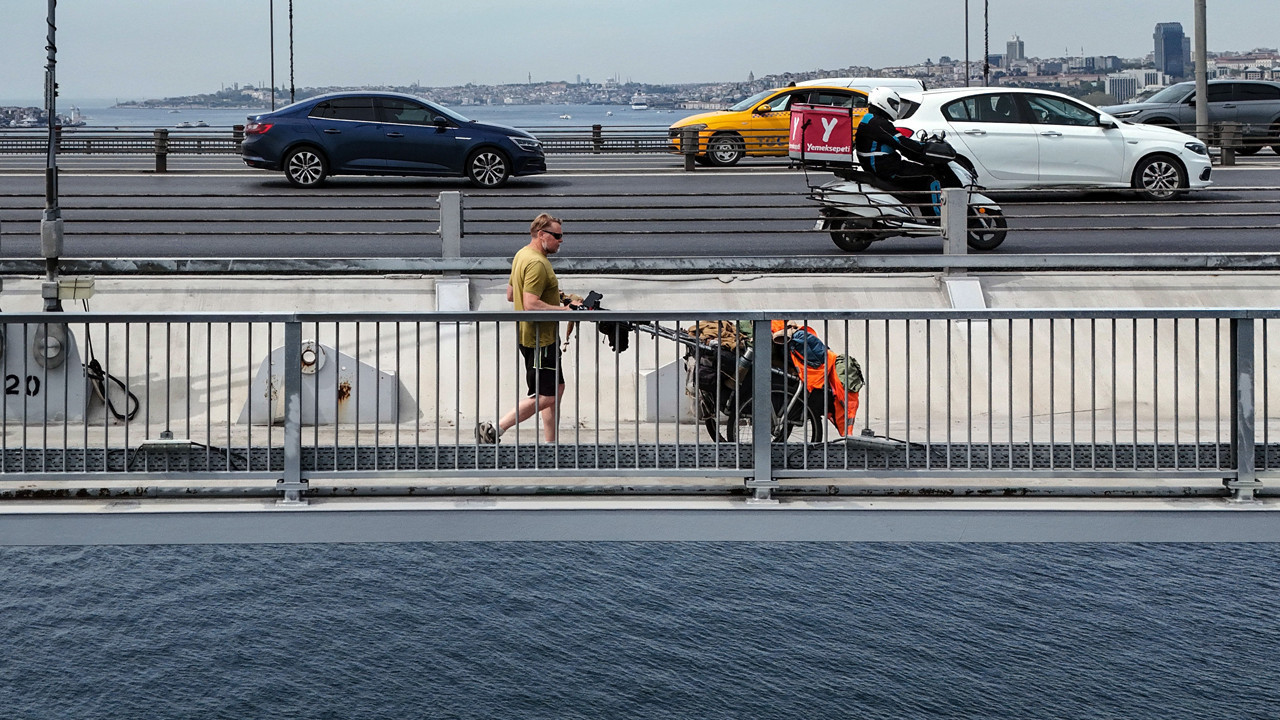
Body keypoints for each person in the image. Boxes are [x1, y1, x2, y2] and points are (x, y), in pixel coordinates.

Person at [476, 213, 580, 444]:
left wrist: (558, 298)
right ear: (542, 235)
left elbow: (512, 295)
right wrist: (565, 311)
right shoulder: (537, 263)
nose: (561, 240)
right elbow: (531, 303)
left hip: (532, 337)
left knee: (557, 389)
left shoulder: (522, 255)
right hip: (540, 340)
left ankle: (550, 445)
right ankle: (494, 428)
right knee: (545, 396)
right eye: (557, 236)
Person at [854, 86, 941, 216]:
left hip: (882, 165)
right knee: (932, 176)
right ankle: (937, 217)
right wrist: (923, 148)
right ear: (883, 102)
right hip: (887, 169)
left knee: (920, 173)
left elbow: (898, 141)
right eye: (893, 105)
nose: (895, 109)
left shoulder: (871, 119)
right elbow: (899, 141)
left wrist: (918, 147)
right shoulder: (878, 123)